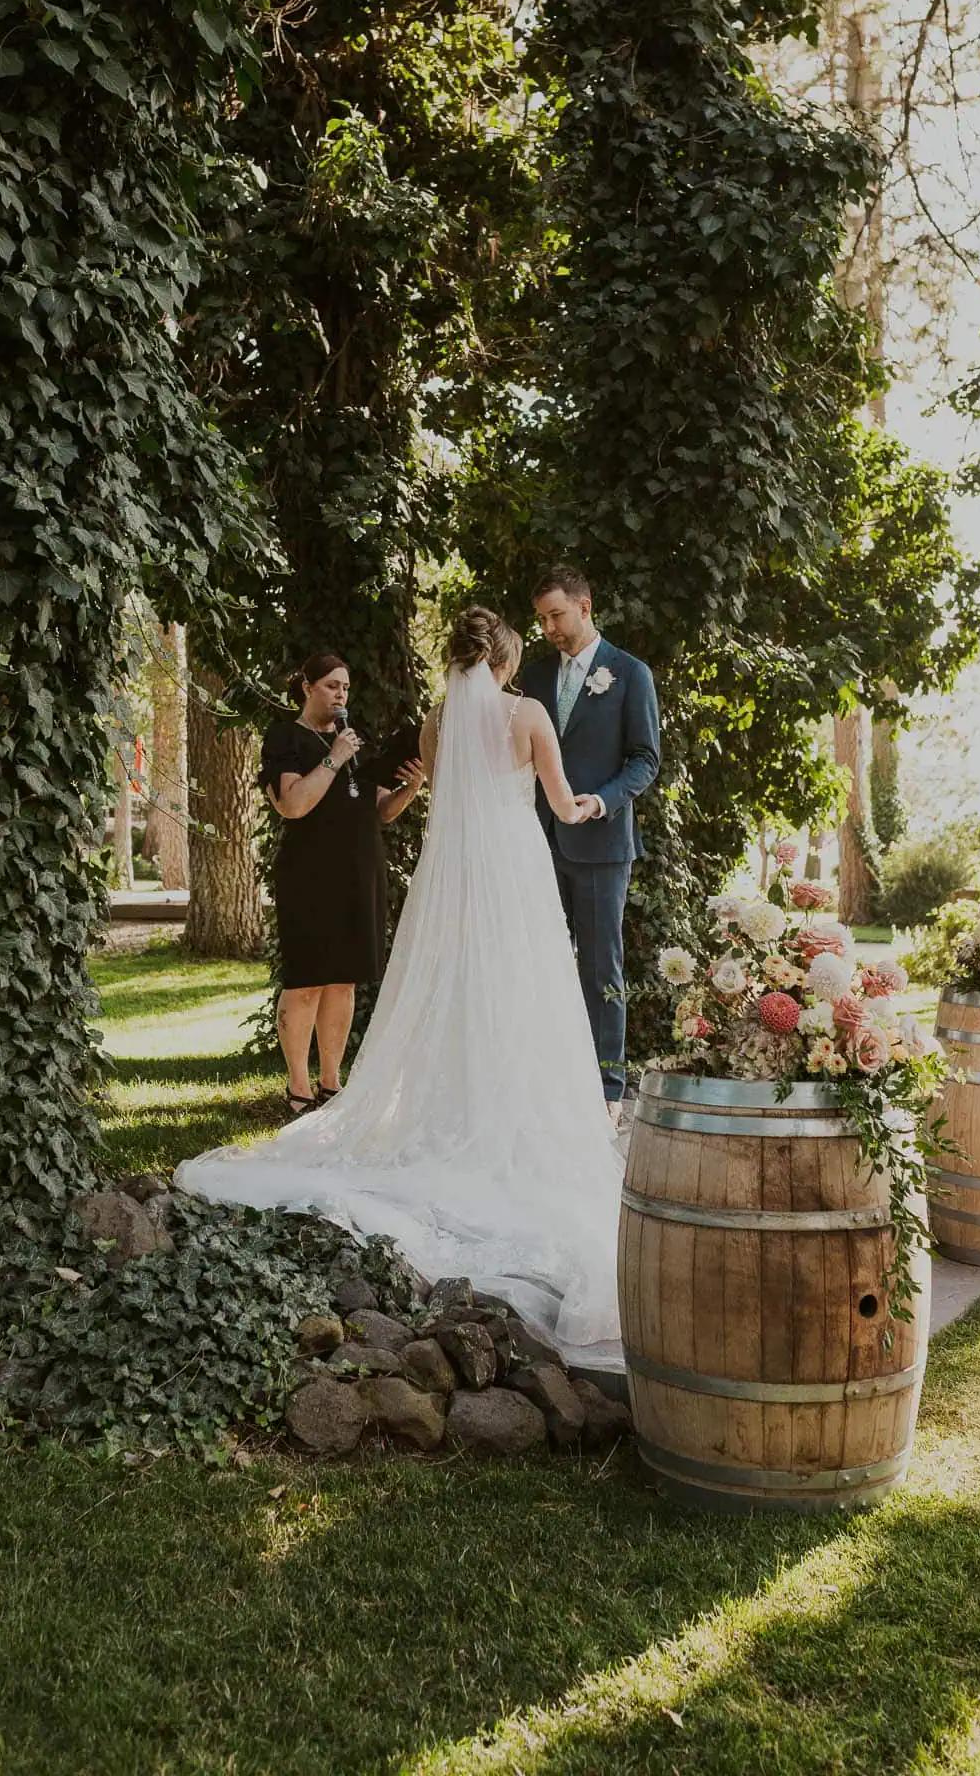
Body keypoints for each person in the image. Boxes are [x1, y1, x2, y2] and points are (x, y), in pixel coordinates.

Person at [176, 607, 627, 1366]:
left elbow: (435, 799)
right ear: (508, 663)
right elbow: (557, 803)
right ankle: (505, 1104)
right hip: (511, 874)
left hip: (450, 880)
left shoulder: (434, 721)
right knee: (522, 995)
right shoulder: (528, 714)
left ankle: (428, 1098)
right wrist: (589, 803)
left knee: (446, 987)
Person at [519, 567, 660, 1111]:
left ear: (585, 605)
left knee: (602, 966)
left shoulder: (630, 673)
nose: (549, 628)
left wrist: (599, 800)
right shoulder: (531, 677)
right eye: (541, 619)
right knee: (536, 960)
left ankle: (607, 1089)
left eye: (555, 615)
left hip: (602, 844)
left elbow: (645, 759)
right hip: (535, 840)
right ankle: (544, 1081)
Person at [259, 653, 425, 1113]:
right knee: (307, 981)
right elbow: (292, 805)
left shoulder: (355, 742)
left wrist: (410, 788)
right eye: (332, 686)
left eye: (346, 688)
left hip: (359, 868)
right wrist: (334, 758)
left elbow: (380, 810)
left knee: (344, 983)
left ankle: (332, 1083)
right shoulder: (286, 738)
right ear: (308, 686)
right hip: (309, 873)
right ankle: (298, 1088)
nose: (341, 695)